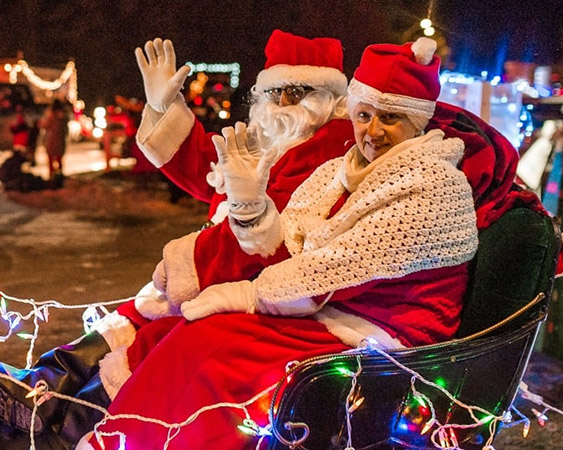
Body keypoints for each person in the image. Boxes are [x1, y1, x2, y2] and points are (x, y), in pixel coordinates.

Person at [77, 37, 479, 450]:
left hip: (380, 332)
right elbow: (288, 239)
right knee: (198, 336)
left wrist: (240, 293)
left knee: (222, 359)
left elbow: (334, 271)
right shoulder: (343, 170)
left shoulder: (433, 185)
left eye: (390, 117)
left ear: (417, 122)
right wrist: (251, 207)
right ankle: (118, 434)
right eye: (365, 115)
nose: (373, 131)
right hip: (324, 309)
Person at [0, 30, 353, 448]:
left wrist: (191, 262)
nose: (280, 105)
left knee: (152, 335)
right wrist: (165, 107)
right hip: (222, 276)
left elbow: (271, 236)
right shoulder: (277, 143)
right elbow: (212, 168)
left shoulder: (326, 152)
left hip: (253, 287)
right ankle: (41, 386)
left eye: (295, 93)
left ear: (326, 98)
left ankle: (66, 416)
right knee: (135, 314)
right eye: (274, 92)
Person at [40, 99, 69, 183]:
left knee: (50, 159)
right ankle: (60, 176)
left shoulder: (50, 115)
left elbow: (45, 125)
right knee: (59, 159)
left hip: (51, 139)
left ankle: (51, 176)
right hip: (60, 139)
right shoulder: (63, 115)